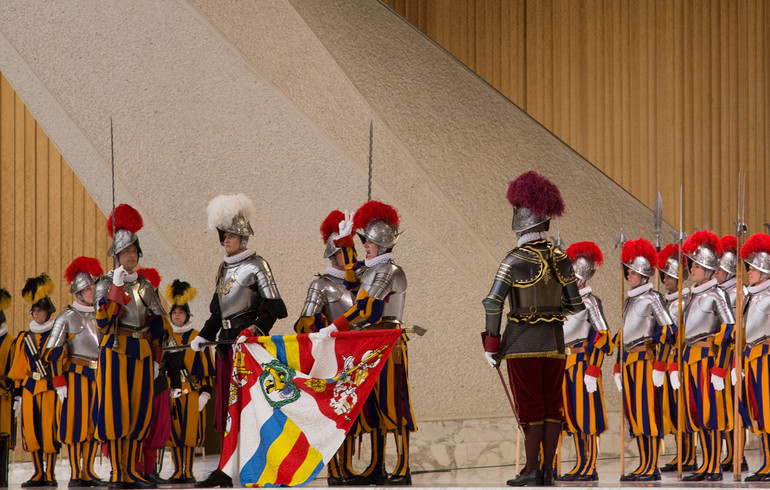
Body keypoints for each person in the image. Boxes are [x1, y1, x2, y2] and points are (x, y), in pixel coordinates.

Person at [481, 171, 584, 486]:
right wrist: (551, 309)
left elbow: (493, 303)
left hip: (521, 344)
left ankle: (531, 469)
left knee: (530, 408)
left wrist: (491, 345)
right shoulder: (562, 259)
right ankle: (549, 469)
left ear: (521, 217)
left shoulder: (513, 259)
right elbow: (575, 305)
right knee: (552, 405)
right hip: (554, 342)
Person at [193, 193, 287, 489]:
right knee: (226, 410)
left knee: (249, 409)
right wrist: (203, 336)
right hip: (224, 347)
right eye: (225, 235)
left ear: (244, 238)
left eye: (232, 235)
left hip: (249, 350)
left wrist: (255, 330)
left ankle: (257, 465)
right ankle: (225, 467)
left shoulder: (258, 265)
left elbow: (276, 308)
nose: (226, 240)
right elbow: (217, 311)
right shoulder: (223, 268)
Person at [319, 200, 415, 486]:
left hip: (389, 342)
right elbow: (350, 277)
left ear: (382, 244)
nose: (365, 246)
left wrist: (335, 327)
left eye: (368, 242)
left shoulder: (389, 270)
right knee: (371, 406)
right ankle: (376, 467)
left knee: (393, 407)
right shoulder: (372, 269)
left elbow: (367, 309)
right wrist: (345, 239)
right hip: (372, 344)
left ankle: (402, 469)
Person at [94, 204, 167, 489]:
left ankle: (133, 470)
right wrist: (115, 288)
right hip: (115, 349)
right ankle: (117, 471)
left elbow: (158, 321)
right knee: (116, 410)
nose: (131, 257)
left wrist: (158, 356)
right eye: (126, 253)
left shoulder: (146, 285)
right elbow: (102, 323)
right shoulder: (104, 283)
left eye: (134, 253)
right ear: (116, 255)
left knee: (139, 411)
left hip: (142, 351)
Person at [294, 210, 362, 485]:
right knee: (336, 414)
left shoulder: (360, 281)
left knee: (355, 414)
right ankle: (336, 469)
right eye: (344, 252)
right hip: (334, 357)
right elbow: (304, 324)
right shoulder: (320, 284)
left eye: (352, 251)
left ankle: (348, 467)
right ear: (333, 253)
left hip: (359, 355)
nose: (351, 256)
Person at [43, 257, 107, 487]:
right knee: (74, 427)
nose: (91, 292)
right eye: (87, 288)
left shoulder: (102, 315)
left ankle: (89, 472)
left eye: (93, 288)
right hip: (75, 378)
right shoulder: (66, 317)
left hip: (99, 377)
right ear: (78, 291)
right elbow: (51, 353)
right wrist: (59, 382)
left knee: (93, 425)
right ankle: (76, 474)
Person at [614, 238, 674, 482]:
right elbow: (623, 336)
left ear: (643, 274)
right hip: (629, 362)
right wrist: (618, 365)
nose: (628, 275)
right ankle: (643, 464)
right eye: (628, 271)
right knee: (634, 415)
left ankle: (652, 466)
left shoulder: (653, 298)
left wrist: (659, 361)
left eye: (633, 272)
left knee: (647, 413)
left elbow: (669, 331)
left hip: (645, 362)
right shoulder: (629, 299)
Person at [679, 230, 735, 482]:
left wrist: (721, 367)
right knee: (698, 413)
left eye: (696, 265)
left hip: (708, 361)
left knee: (711, 413)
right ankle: (705, 464)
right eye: (692, 264)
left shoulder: (716, 294)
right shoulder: (693, 294)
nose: (691, 268)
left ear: (708, 268)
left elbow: (730, 329)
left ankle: (714, 465)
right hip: (691, 359)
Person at [557, 241, 611, 482]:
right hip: (565, 363)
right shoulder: (564, 302)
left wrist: (594, 367)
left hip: (582, 363)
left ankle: (591, 465)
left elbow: (603, 337)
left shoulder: (590, 302)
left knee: (587, 417)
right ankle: (580, 463)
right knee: (573, 417)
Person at [8, 274, 60, 487]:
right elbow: (20, 368)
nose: (36, 313)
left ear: (48, 311)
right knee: (32, 431)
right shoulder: (24, 338)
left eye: (39, 310)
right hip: (30, 388)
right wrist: (18, 395)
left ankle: (51, 474)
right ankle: (38, 472)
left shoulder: (57, 335)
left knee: (50, 431)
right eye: (34, 311)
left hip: (49, 388)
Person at [165, 279, 214, 484]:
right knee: (175, 432)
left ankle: (189, 470)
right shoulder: (166, 337)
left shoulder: (197, 337)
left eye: (181, 312)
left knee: (190, 432)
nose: (177, 316)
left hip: (193, 390)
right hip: (172, 389)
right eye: (174, 313)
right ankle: (177, 471)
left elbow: (206, 365)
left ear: (187, 315)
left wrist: (206, 392)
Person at [655, 244, 698, 473]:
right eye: (663, 275)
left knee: (683, 409)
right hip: (667, 360)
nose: (665, 279)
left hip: (681, 360)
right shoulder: (667, 301)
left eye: (669, 275)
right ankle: (681, 452)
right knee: (671, 410)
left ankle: (689, 455)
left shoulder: (685, 300)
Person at [737, 233, 770, 480]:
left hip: (767, 356)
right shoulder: (752, 295)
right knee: (759, 411)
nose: (749, 271)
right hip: (753, 357)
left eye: (753, 268)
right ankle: (767, 462)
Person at [716, 235, 748, 472]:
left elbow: (744, 323)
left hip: (736, 354)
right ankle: (729, 453)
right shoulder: (717, 292)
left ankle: (739, 454)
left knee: (737, 406)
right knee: (724, 406)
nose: (715, 272)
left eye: (719, 269)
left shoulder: (739, 291)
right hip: (719, 354)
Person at [0, 289, 16, 488]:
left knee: (2, 439)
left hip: (3, 394)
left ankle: (3, 478)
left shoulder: (11, 341)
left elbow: (15, 371)